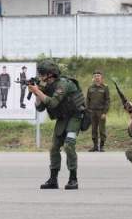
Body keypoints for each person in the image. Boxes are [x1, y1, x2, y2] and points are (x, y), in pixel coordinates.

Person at [28, 60, 83, 190]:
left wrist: (38, 90)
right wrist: (37, 92)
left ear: (50, 74)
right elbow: (40, 108)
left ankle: (73, 179)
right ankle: (53, 179)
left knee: (69, 145)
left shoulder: (63, 84)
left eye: (42, 74)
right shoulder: (47, 86)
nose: (40, 77)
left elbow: (53, 103)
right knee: (54, 148)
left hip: (75, 117)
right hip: (62, 119)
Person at [86, 70, 111, 152]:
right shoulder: (90, 87)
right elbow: (87, 100)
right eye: (95, 76)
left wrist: (105, 112)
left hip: (101, 112)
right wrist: (88, 110)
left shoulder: (105, 87)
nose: (97, 77)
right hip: (92, 112)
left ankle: (102, 146)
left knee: (102, 130)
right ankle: (95, 146)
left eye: (98, 76)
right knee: (93, 129)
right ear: (93, 78)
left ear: (101, 77)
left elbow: (107, 101)